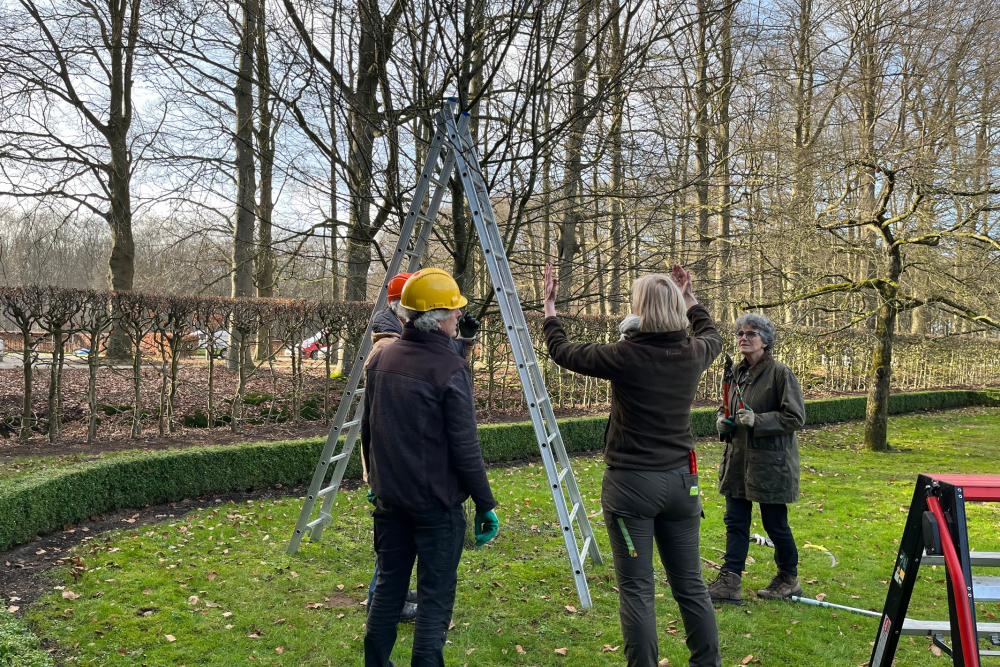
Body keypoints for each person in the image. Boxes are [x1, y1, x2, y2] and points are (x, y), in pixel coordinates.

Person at [542, 263, 723, 667]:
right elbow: (710, 331)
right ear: (676, 307)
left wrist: (551, 310)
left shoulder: (626, 355)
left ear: (639, 309)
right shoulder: (695, 352)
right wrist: (689, 295)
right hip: (682, 483)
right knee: (691, 585)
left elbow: (563, 352)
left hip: (632, 486)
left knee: (638, 590)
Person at [362, 268, 499, 667]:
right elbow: (465, 446)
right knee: (435, 598)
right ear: (437, 317)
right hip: (436, 507)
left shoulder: (382, 356)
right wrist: (485, 503)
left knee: (388, 587)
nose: (460, 317)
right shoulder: (450, 369)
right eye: (455, 312)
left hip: (391, 501)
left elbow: (369, 429)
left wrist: (375, 477)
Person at [707, 313, 806, 605]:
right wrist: (721, 421)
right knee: (735, 521)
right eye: (739, 333)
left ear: (765, 340)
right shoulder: (734, 372)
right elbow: (725, 407)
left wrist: (758, 420)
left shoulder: (779, 373)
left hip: (770, 464)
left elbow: (795, 417)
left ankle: (789, 578)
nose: (743, 338)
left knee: (775, 524)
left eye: (751, 333)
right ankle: (729, 582)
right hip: (738, 461)